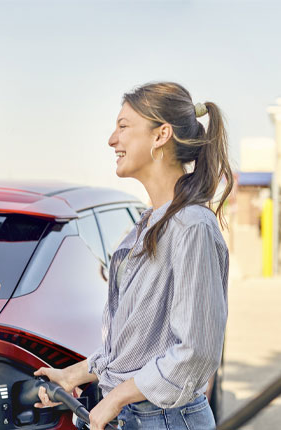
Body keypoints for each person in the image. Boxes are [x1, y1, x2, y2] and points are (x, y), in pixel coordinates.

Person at [34, 82, 232, 430]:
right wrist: (73, 375)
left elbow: (196, 351)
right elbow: (135, 346)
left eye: (124, 126)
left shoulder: (192, 227)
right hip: (139, 416)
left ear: (161, 135)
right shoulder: (149, 224)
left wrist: (116, 397)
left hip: (166, 420)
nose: (113, 140)